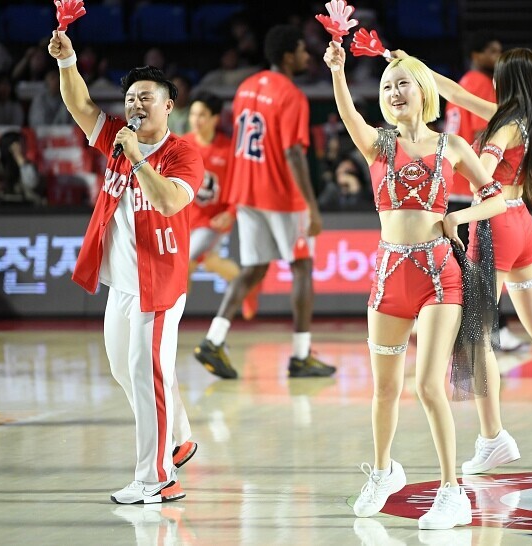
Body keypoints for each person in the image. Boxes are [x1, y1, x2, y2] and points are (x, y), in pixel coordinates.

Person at [324, 42, 508, 530]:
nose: (394, 92)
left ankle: (452, 491)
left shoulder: (453, 146)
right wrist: (339, 72)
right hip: (389, 277)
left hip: (439, 277)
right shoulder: (378, 144)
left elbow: (496, 199)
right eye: (387, 86)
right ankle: (384, 472)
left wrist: (460, 216)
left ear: (423, 90)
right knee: (384, 389)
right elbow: (348, 114)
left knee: (428, 385)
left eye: (403, 82)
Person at [402, 47, 532, 469]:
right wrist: (411, 66)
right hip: (521, 222)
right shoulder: (517, 117)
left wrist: (453, 195)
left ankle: (492, 438)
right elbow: (456, 93)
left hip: (494, 228)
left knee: (475, 335)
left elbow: (483, 176)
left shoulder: (504, 125)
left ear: (503, 80)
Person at [48, 29, 203, 504]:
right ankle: (180, 436)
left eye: (146, 97)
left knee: (145, 372)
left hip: (158, 287)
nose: (136, 104)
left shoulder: (182, 154)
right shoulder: (118, 136)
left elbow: (169, 202)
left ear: (168, 105)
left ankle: (158, 479)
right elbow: (80, 105)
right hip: (122, 284)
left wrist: (136, 159)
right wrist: (68, 61)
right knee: (124, 368)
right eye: (131, 97)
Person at [193, 25, 335, 379]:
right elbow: (293, 153)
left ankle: (213, 339)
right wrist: (311, 206)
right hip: (280, 194)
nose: (306, 56)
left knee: (254, 268)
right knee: (301, 267)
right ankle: (301, 355)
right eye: (302, 50)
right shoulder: (291, 95)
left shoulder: (246, 87)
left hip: (246, 190)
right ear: (288, 55)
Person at [445, 35, 526, 352]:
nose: (497, 55)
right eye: (491, 51)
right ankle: (495, 331)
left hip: (457, 186)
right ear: (476, 54)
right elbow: (485, 132)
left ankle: (472, 332)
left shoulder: (464, 83)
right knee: (483, 269)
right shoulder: (479, 82)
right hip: (476, 192)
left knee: (470, 268)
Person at [179, 92, 260, 331]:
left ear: (215, 118)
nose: (196, 120)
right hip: (185, 219)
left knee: (183, 264)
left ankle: (170, 319)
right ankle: (246, 286)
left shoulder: (228, 149)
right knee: (210, 262)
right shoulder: (182, 144)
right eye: (193, 114)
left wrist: (231, 212)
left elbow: (242, 185)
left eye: (202, 115)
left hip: (213, 221)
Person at [0, 131, 44, 207]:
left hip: (27, 206)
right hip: (3, 207)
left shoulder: (29, 166)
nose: (25, 147)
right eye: (22, 144)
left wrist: (20, 160)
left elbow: (32, 183)